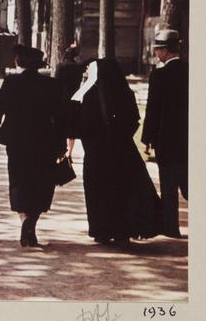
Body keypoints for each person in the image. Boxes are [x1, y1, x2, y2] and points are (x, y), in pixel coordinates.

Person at [69, 59, 163, 245]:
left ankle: (101, 230)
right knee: (122, 191)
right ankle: (123, 231)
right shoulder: (125, 93)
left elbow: (79, 123)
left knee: (98, 193)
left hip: (96, 153)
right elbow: (134, 120)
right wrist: (122, 136)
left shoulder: (90, 95)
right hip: (122, 150)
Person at [0, 45, 65, 247]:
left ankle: (25, 221)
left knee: (18, 180)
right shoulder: (51, 84)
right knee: (42, 182)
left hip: (16, 140)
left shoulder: (11, 82)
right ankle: (32, 221)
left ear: (18, 62)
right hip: (44, 140)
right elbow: (60, 116)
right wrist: (61, 143)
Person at [141, 29, 188, 238]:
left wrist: (147, 139)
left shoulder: (159, 75)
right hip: (189, 139)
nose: (156, 52)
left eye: (158, 49)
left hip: (167, 140)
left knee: (168, 186)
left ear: (166, 51)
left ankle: (172, 227)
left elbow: (153, 110)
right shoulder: (190, 71)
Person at [55, 43, 85, 156]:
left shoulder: (60, 67)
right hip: (74, 100)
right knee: (72, 128)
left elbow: (56, 83)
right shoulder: (78, 68)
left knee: (61, 126)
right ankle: (70, 153)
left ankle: (62, 152)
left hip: (62, 100)